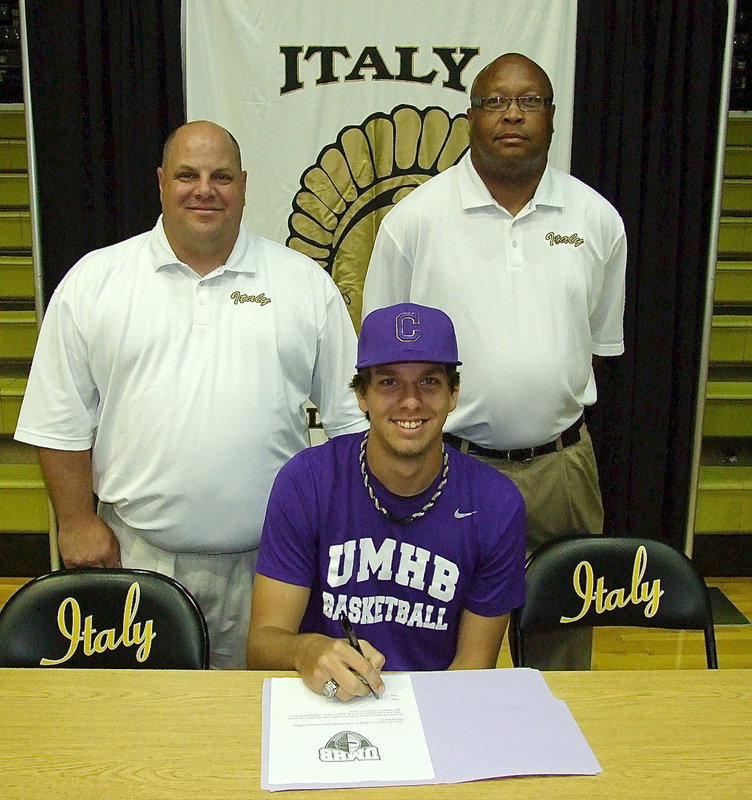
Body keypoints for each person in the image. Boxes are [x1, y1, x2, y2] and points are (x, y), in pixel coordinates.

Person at [15, 121, 366, 669]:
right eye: (188, 175)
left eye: (221, 176)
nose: (205, 189)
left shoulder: (303, 284)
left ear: (245, 184)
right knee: (141, 723)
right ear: (160, 182)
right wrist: (78, 522)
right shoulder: (96, 280)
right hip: (134, 557)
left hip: (273, 567)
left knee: (254, 726)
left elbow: (351, 422)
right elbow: (58, 418)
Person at [362, 54, 627, 670]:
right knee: (440, 642)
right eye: (495, 102)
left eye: (530, 101)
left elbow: (594, 345)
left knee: (562, 652)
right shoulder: (415, 221)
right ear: (471, 117)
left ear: (553, 117)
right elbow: (381, 354)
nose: (512, 114)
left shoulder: (596, 219)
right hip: (446, 468)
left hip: (560, 470)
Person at [247, 302, 525, 700]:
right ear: (361, 395)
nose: (410, 402)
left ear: (454, 394)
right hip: (325, 702)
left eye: (429, 382)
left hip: (437, 706)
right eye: (389, 383)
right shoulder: (306, 481)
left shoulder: (496, 504)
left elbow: (472, 669)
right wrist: (305, 649)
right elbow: (261, 646)